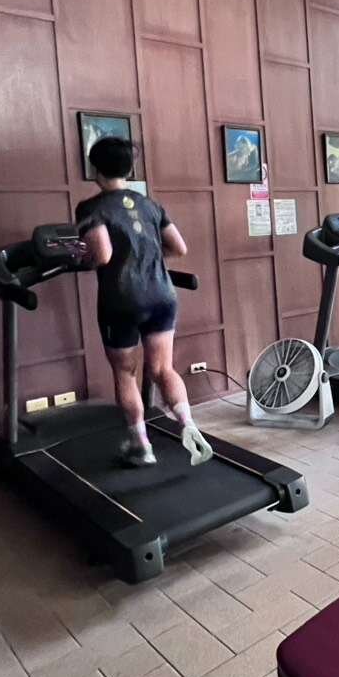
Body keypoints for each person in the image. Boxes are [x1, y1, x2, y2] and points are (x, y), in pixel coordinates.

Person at [75, 137, 213, 468]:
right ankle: (188, 425)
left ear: (94, 168)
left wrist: (82, 259)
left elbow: (103, 254)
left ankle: (141, 445)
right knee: (163, 369)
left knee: (125, 372)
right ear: (129, 169)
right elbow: (179, 247)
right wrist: (145, 256)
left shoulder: (91, 208)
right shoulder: (149, 204)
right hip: (162, 294)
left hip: (121, 299)